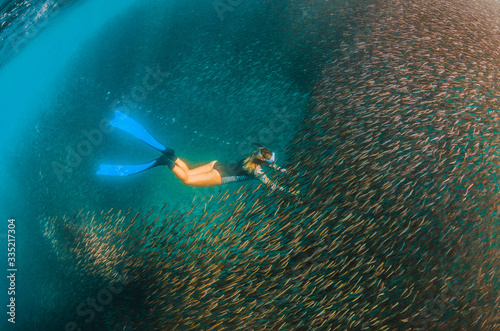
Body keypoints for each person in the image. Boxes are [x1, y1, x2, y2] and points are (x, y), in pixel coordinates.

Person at [97, 111, 291, 193]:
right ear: (266, 162)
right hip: (220, 175)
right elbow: (271, 185)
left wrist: (282, 170)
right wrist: (289, 191)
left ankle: (170, 154)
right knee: (187, 180)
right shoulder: (257, 172)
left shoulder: (257, 152)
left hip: (217, 163)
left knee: (188, 170)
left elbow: (267, 159)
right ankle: (165, 161)